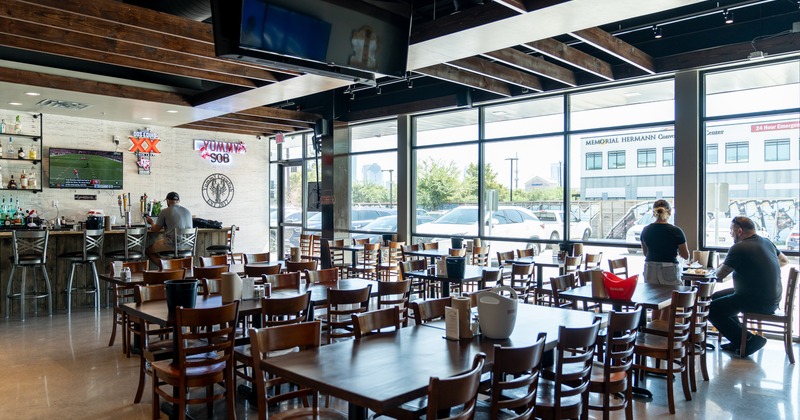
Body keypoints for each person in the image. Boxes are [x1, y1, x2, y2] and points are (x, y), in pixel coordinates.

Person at [709, 216, 789, 357]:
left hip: (756, 300)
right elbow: (784, 260)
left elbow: (720, 275)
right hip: (771, 299)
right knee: (715, 297)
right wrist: (760, 268)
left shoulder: (739, 247)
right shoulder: (766, 242)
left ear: (739, 230)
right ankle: (740, 340)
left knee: (710, 309)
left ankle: (749, 340)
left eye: (731, 230)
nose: (730, 233)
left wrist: (712, 271)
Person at [640, 199, 690, 286]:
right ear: (669, 212)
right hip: (669, 267)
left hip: (650, 267)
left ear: (653, 213)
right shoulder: (676, 231)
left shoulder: (645, 230)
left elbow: (645, 253)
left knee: (651, 297)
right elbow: (685, 255)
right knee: (672, 297)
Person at [145, 192, 193, 270]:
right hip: (188, 245)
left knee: (148, 250)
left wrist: (151, 222)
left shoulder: (165, 211)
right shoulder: (188, 211)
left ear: (168, 201)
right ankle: (175, 269)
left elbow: (155, 229)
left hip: (172, 244)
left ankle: (166, 267)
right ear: (179, 201)